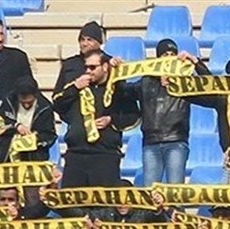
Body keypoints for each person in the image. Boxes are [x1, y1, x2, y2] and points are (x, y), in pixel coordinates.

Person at [53, 49, 140, 189]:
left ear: (105, 67)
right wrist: (75, 87)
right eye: (86, 67)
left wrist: (111, 120)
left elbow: (133, 116)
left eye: (92, 67)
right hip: (76, 154)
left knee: (103, 201)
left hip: (105, 155)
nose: (88, 71)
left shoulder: (117, 89)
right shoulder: (77, 87)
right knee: (72, 201)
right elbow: (58, 105)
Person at [124, 39, 205, 185]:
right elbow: (123, 92)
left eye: (172, 54)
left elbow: (209, 85)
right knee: (151, 191)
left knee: (175, 191)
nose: (168, 57)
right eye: (164, 54)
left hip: (176, 140)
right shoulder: (146, 81)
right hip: (151, 142)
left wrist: (195, 62)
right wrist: (116, 71)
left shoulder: (185, 81)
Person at [0, 76, 57, 162]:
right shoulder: (7, 101)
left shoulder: (45, 108)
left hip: (34, 156)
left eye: (30, 102)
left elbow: (50, 135)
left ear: (35, 95)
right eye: (23, 102)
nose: (26, 105)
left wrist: (35, 139)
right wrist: (15, 126)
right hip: (5, 153)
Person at [0, 16, 32, 115]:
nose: (0, 39)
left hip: (11, 115)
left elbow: (29, 87)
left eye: (1, 34)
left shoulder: (17, 57)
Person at [53, 21, 106, 99]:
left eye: (89, 40)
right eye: (82, 39)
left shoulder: (108, 63)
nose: (85, 43)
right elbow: (56, 99)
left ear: (99, 43)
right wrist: (75, 88)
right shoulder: (69, 64)